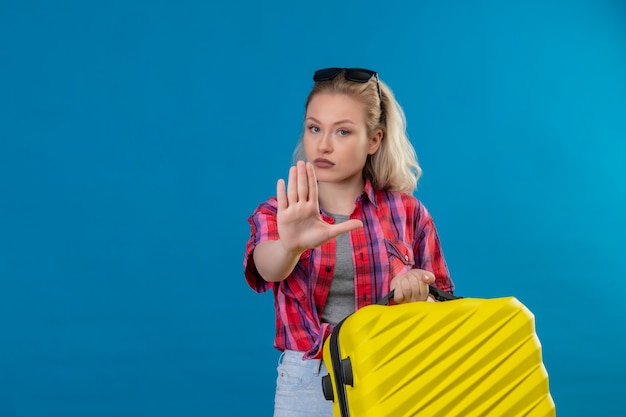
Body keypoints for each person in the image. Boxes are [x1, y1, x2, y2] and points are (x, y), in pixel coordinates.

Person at [243, 67, 455, 417]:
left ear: (374, 140)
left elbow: (444, 302)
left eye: (342, 131)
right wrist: (290, 245)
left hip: (392, 375)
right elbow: (268, 268)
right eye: (315, 128)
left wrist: (418, 292)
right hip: (308, 384)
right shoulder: (281, 210)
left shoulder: (408, 212)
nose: (323, 145)